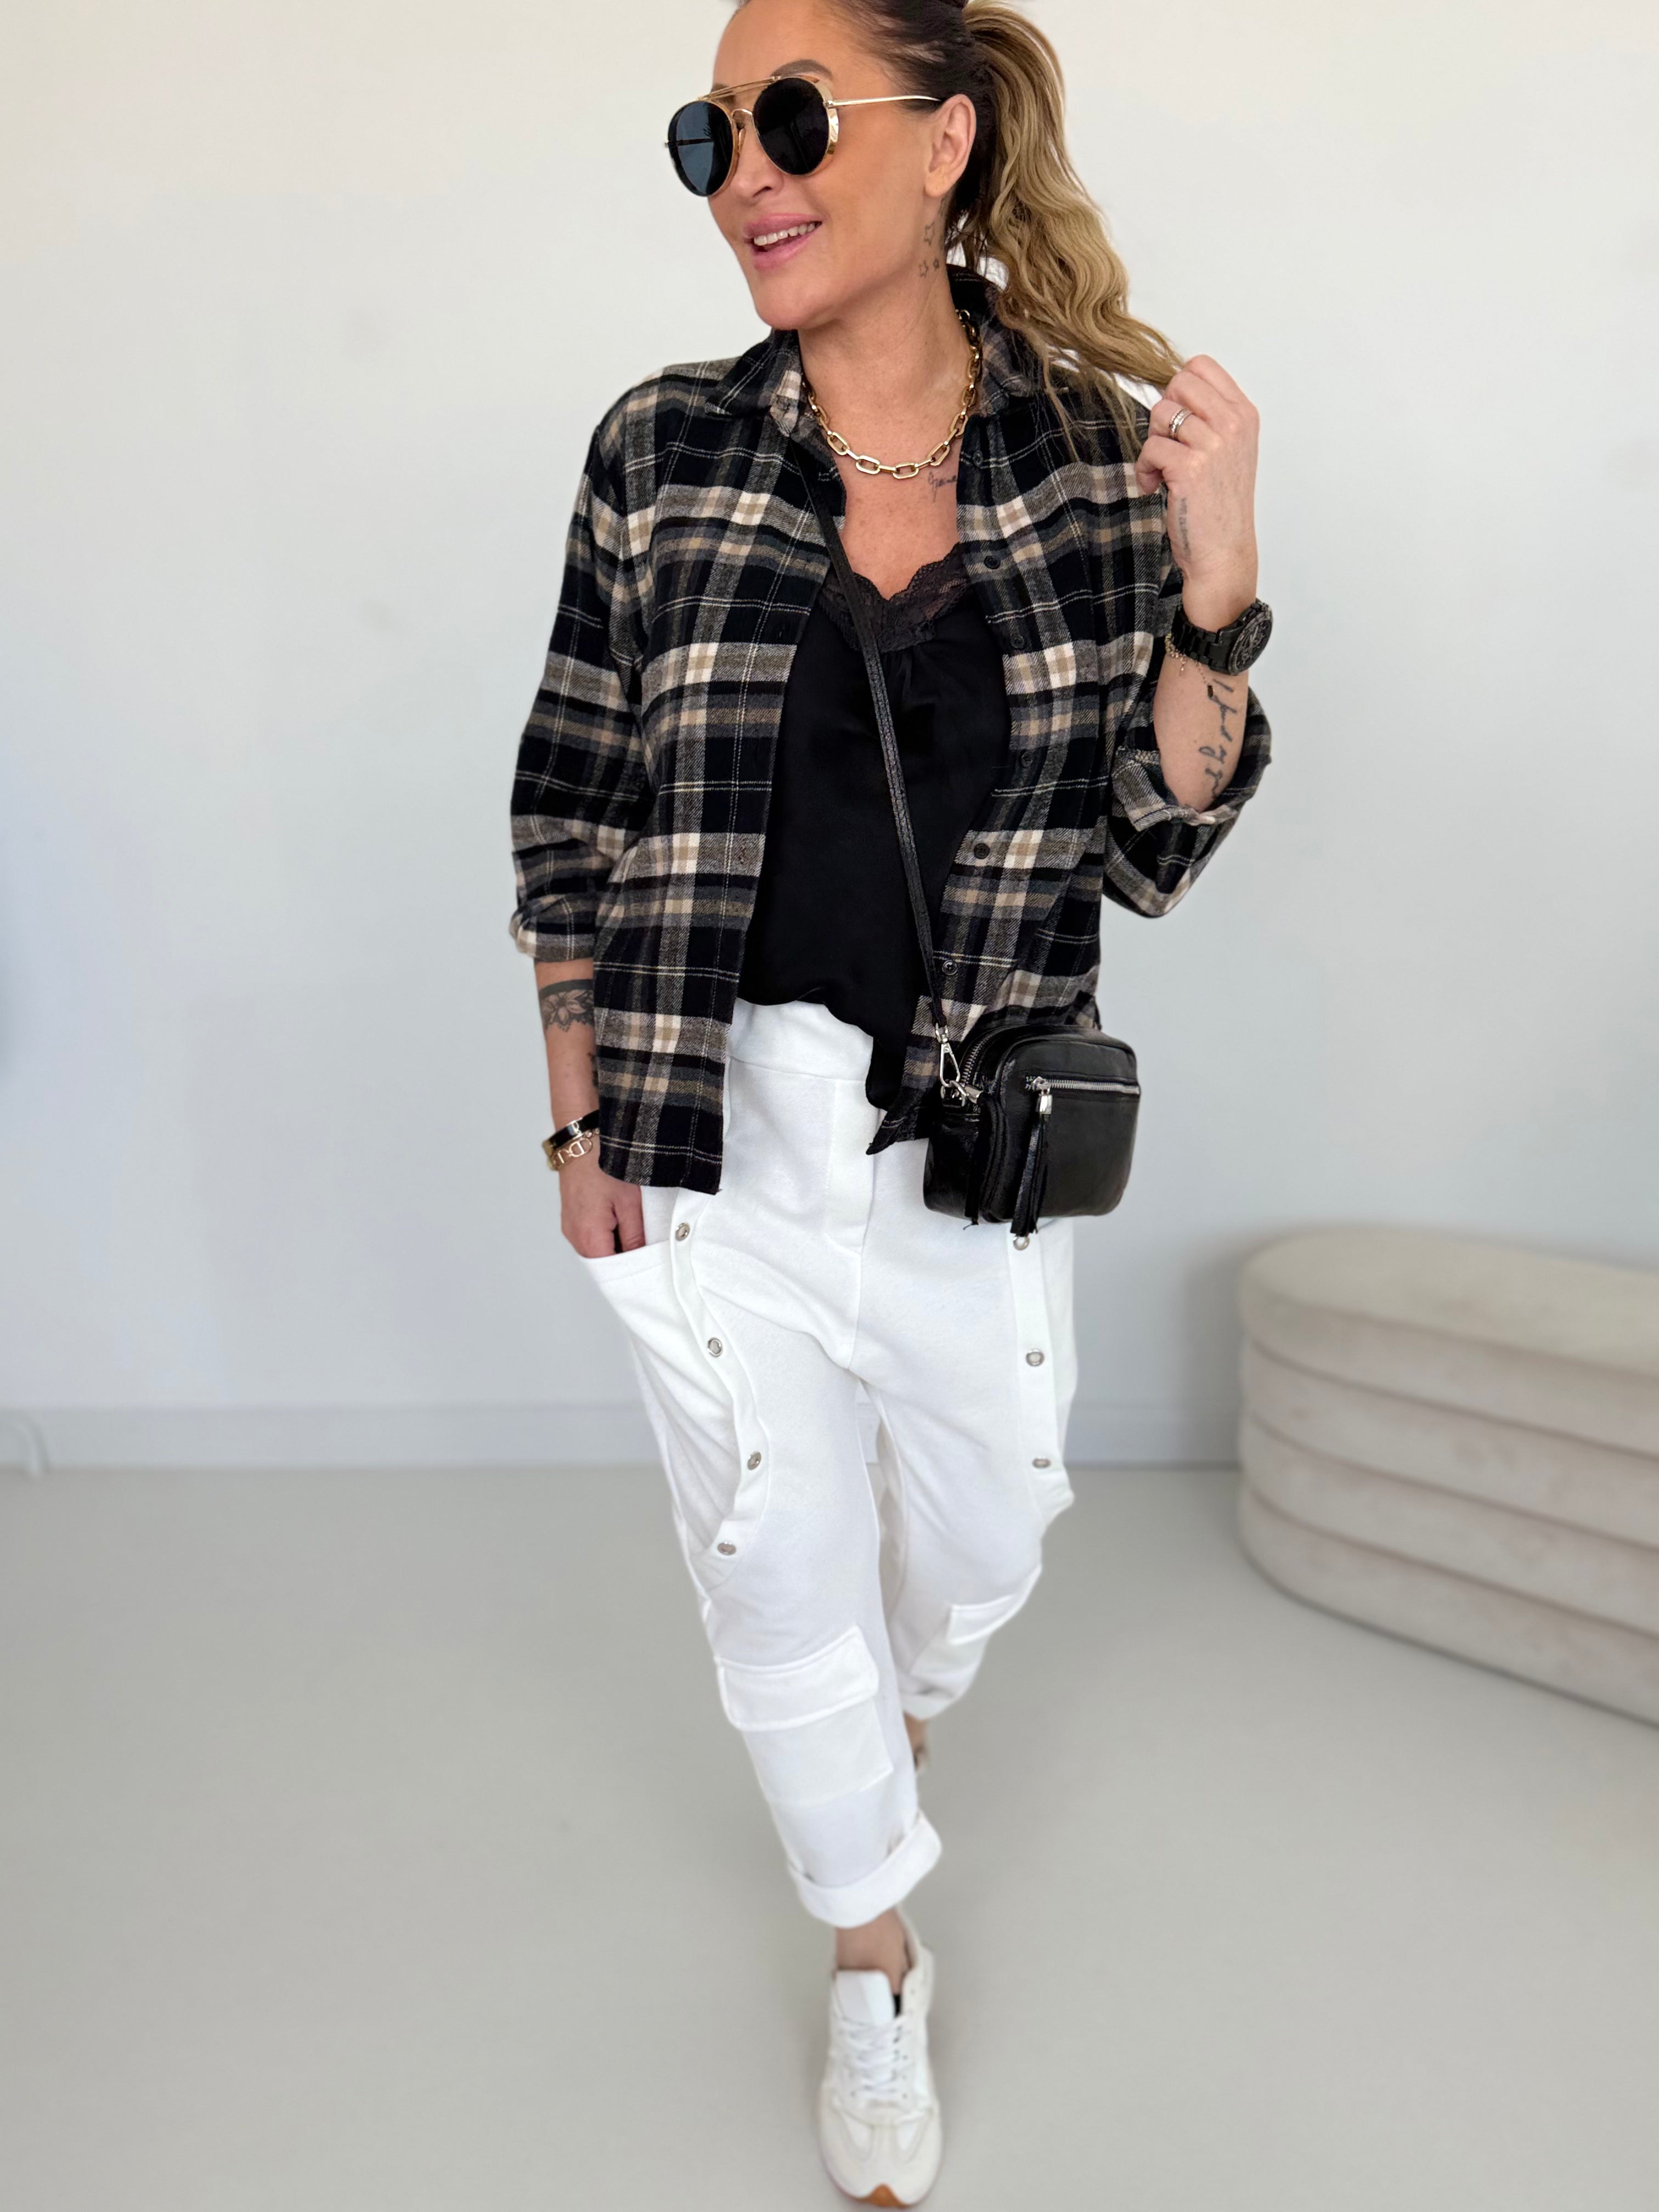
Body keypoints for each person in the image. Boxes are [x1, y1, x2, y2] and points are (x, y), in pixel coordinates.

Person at [508, 0, 1272, 2199]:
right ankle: (873, 1952)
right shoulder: (662, 447)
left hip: (965, 1127)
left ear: (942, 144)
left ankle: (885, 1723)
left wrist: (1220, 586)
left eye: (790, 118)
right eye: (708, 137)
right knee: (775, 1556)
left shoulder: (1093, 455)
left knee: (993, 1530)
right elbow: (573, 795)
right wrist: (577, 1113)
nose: (743, 173)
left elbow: (1153, 845)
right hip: (704, 1105)